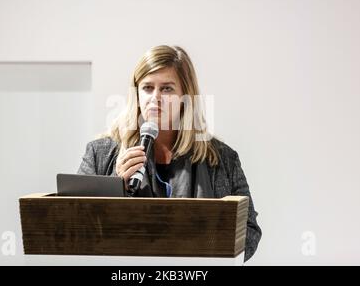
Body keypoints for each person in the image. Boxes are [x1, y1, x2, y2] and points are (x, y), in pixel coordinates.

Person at [77, 45, 261, 261]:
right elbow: (75, 227)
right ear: (136, 93)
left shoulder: (222, 159)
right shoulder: (100, 152)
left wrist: (204, 252)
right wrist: (115, 186)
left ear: (186, 96)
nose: (155, 98)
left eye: (167, 89)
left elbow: (249, 231)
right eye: (147, 87)